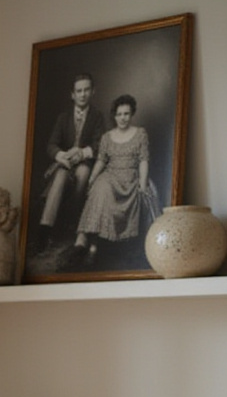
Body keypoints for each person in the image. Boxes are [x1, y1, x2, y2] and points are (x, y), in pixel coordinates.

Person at [74, 94, 157, 264]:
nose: (122, 118)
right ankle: (88, 243)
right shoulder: (107, 137)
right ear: (114, 115)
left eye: (126, 114)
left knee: (139, 192)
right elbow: (101, 160)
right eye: (119, 114)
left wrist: (142, 183)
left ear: (132, 113)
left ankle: (95, 244)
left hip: (131, 177)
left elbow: (143, 160)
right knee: (100, 188)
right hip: (110, 175)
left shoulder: (140, 134)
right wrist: (91, 179)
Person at [37, 73, 106, 247]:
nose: (82, 94)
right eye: (79, 91)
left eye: (86, 90)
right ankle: (45, 227)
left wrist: (82, 153)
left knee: (83, 174)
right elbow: (51, 144)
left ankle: (75, 222)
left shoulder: (97, 116)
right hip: (65, 163)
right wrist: (61, 155)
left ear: (93, 92)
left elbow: (100, 144)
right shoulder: (63, 117)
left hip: (84, 163)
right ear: (72, 95)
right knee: (60, 176)